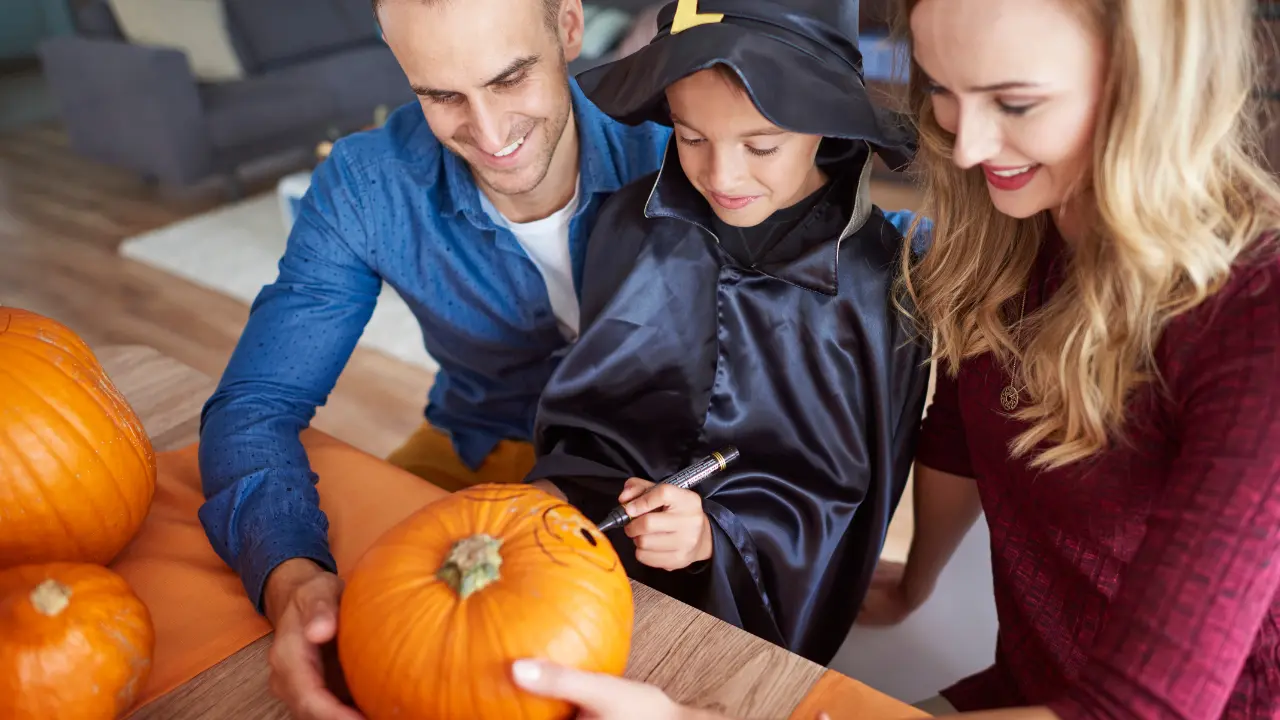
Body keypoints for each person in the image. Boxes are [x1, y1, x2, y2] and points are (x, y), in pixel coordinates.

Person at [508, 0, 1280, 716]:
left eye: (1015, 103)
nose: (966, 147)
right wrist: (916, 581)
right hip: (1017, 686)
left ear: (1154, 84)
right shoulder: (1015, 236)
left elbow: (1141, 709)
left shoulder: (1257, 327)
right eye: (943, 89)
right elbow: (960, 427)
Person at [195, 0, 670, 716]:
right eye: (442, 95)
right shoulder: (366, 186)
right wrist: (291, 578)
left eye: (510, 79)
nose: (486, 132)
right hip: (476, 442)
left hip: (654, 471)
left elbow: (851, 241)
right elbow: (255, 407)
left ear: (568, 27)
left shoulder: (681, 140)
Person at [523, 0, 931, 666]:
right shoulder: (631, 225)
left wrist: (719, 538)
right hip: (584, 578)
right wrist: (570, 486)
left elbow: (844, 510)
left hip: (730, 643)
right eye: (690, 137)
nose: (722, 176)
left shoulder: (880, 293)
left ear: (825, 123)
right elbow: (585, 419)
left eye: (762, 145)